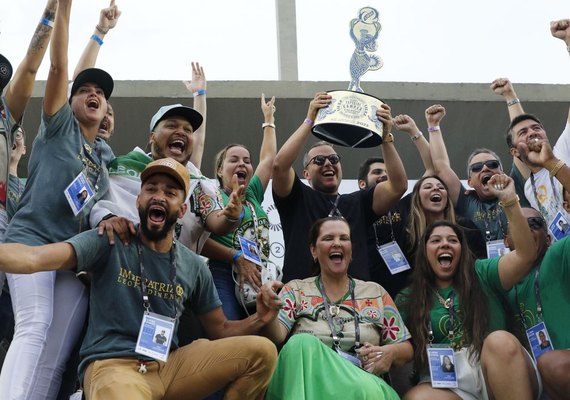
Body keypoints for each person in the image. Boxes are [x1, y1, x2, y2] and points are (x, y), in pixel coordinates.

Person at [0, 158, 279, 400]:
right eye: (151, 189)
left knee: (262, 352)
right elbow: (33, 258)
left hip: (168, 367)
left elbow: (220, 329)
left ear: (181, 210)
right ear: (139, 201)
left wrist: (259, 319)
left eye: (170, 192)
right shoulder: (110, 240)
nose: (159, 196)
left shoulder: (193, 265)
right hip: (113, 367)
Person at [0, 0, 116, 398]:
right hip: (28, 241)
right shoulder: (58, 126)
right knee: (34, 323)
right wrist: (65, 9)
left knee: (56, 350)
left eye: (100, 93)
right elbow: (60, 68)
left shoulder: (102, 159)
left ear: (107, 113)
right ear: (68, 102)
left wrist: (102, 31)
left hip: (67, 258)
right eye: (84, 91)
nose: (92, 95)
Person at [396, 174, 541, 400]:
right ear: (424, 253)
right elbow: (399, 346)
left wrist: (510, 200)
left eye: (453, 240)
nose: (445, 243)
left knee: (498, 340)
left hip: (496, 367)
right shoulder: (407, 298)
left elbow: (526, 255)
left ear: (463, 250)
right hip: (447, 382)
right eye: (435, 241)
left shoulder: (482, 272)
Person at [89, 65, 239, 255]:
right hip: (119, 268)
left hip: (174, 279)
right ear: (152, 137)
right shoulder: (121, 165)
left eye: (187, 130)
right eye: (171, 125)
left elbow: (218, 223)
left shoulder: (196, 183)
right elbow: (95, 206)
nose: (181, 132)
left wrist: (233, 216)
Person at [260, 216, 413, 399]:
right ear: (314, 251)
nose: (337, 243)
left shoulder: (375, 292)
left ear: (351, 250)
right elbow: (276, 336)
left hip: (362, 382)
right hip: (310, 386)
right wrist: (269, 314)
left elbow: (406, 348)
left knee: (364, 387)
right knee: (300, 344)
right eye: (328, 238)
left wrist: (390, 352)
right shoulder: (296, 289)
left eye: (344, 238)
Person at [272, 92, 407, 282]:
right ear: (306, 174)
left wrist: (385, 138)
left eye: (334, 159)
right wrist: (309, 120)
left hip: (354, 298)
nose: (328, 163)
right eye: (319, 160)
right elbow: (279, 166)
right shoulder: (296, 197)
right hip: (304, 297)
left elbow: (398, 186)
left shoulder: (358, 202)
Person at [201, 94, 276, 320]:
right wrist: (235, 257)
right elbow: (197, 241)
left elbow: (269, 158)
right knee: (231, 334)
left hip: (259, 273)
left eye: (246, 160)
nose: (242, 163)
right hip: (224, 272)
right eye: (234, 159)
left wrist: (269, 119)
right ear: (220, 170)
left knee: (263, 332)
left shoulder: (252, 194)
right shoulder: (209, 194)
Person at [428, 104, 511, 249]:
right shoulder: (466, 202)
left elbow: (520, 144)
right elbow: (441, 167)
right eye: (477, 168)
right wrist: (433, 125)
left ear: (502, 173)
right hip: (478, 268)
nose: (485, 168)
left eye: (492, 164)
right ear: (470, 182)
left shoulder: (517, 193)